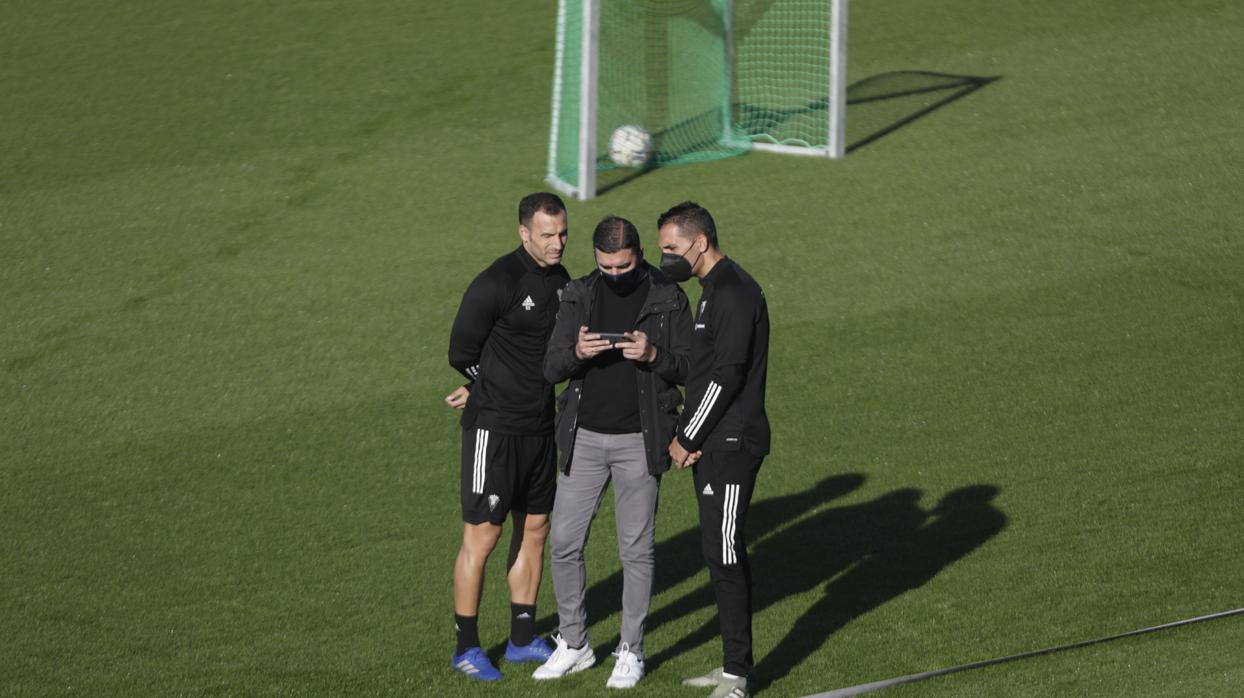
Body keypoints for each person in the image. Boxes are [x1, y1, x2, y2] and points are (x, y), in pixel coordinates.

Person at [534, 216, 693, 688]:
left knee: (636, 550)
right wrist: (577, 354)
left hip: (639, 441)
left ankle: (630, 649)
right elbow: (550, 367)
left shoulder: (668, 298)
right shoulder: (579, 294)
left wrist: (653, 356)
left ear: (640, 255)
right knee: (563, 543)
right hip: (582, 438)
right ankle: (575, 643)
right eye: (607, 267)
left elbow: (689, 367)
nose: (616, 275)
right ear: (596, 259)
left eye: (624, 266)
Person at [444, 192, 570, 681]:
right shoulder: (496, 282)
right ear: (524, 233)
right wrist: (486, 387)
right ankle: (467, 647)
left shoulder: (560, 280)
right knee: (484, 535)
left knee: (535, 529)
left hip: (540, 428)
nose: (557, 243)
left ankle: (521, 639)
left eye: (562, 233)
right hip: (493, 429)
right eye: (547, 235)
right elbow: (462, 351)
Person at [658, 202, 770, 698]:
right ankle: (730, 668)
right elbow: (702, 370)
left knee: (724, 551)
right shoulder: (710, 291)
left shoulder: (735, 293)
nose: (666, 259)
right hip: (715, 442)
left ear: (699, 242)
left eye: (671, 249)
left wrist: (688, 438)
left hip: (732, 442)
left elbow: (726, 377)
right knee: (715, 551)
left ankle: (739, 677)